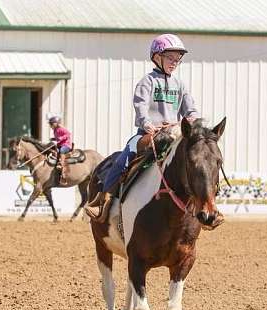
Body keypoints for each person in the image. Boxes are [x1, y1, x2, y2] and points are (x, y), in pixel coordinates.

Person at [85, 33, 199, 222]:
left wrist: (194, 121)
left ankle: (203, 205)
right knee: (125, 156)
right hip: (149, 134)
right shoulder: (147, 81)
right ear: (156, 57)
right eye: (170, 57)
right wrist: (147, 124)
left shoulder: (180, 84)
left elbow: (191, 110)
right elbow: (140, 107)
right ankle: (103, 200)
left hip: (175, 134)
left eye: (178, 59)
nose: (174, 62)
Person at [48, 115, 72, 184]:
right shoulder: (55, 130)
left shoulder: (61, 128)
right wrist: (53, 139)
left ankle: (61, 165)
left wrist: (61, 138)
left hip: (66, 145)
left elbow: (68, 134)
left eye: (51, 124)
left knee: (61, 151)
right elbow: (58, 138)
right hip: (60, 144)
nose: (51, 125)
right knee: (53, 151)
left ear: (56, 123)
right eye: (50, 124)